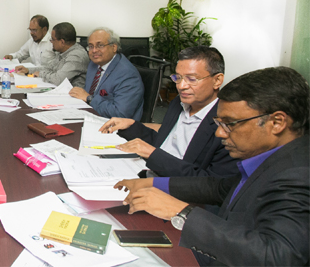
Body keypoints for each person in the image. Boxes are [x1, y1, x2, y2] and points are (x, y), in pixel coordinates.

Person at [114, 66, 309, 266]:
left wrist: (183, 213)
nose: (220, 134)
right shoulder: (272, 157)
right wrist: (153, 184)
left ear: (277, 122)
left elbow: (280, 257)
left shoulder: (298, 175)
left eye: (230, 124)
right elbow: (220, 188)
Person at [99, 46, 238, 178]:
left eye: (192, 79)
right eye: (178, 77)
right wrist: (132, 126)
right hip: (146, 173)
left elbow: (209, 184)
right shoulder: (178, 103)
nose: (181, 86)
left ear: (217, 80)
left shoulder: (227, 125)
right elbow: (165, 144)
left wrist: (153, 155)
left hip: (174, 192)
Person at [69, 27, 143, 120]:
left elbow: (121, 114)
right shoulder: (93, 64)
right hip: (91, 116)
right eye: (91, 46)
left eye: (100, 45)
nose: (94, 50)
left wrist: (89, 99)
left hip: (115, 127)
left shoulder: (127, 74)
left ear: (114, 47)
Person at [14, 22, 88, 88]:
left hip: (71, 97)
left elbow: (58, 79)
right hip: (60, 91)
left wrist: (40, 74)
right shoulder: (62, 51)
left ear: (62, 42)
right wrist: (28, 70)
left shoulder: (76, 57)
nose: (51, 42)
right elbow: (49, 68)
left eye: (53, 39)